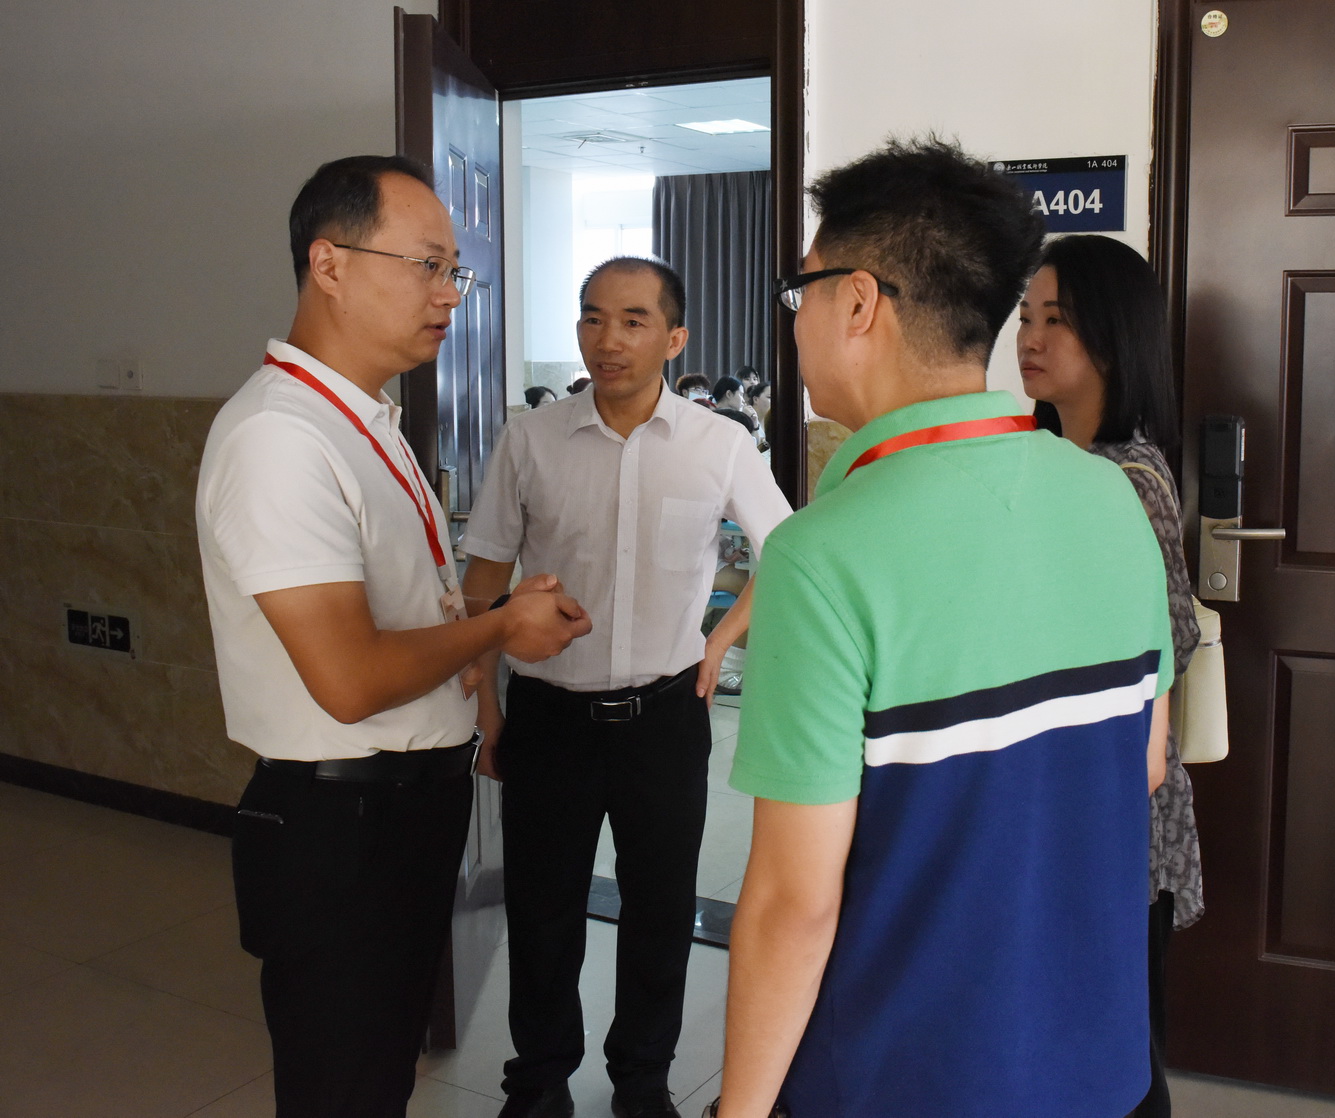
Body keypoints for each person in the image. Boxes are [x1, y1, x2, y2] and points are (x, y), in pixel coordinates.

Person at [714, 137, 1175, 1118]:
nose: (794, 322)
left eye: (801, 293)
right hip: (1099, 1059)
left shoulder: (821, 555)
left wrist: (737, 1108)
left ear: (858, 302)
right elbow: (1143, 762)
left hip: (908, 1075)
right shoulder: (1111, 498)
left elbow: (794, 903)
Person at [196, 154, 590, 1118]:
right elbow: (349, 678)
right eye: (426, 266)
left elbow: (412, 613)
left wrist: (478, 654)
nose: (449, 294)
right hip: (341, 825)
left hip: (402, 808)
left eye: (456, 271)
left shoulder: (363, 417)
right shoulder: (279, 439)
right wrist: (501, 625)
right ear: (329, 264)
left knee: (376, 1072)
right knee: (342, 1084)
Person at [461, 256, 792, 1118]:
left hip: (663, 717)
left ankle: (641, 1081)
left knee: (659, 911)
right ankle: (539, 1081)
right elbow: (483, 579)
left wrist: (719, 639)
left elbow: (787, 553)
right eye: (592, 317)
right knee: (542, 910)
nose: (607, 339)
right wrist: (486, 703)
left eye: (634, 321)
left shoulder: (719, 443)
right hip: (548, 715)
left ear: (674, 338)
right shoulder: (530, 439)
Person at [1017, 233, 1202, 1118]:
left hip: (1117, 798)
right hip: (1066, 792)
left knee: (1119, 1052)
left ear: (1113, 336)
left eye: (1056, 319)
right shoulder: (1050, 461)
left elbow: (1170, 641)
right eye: (1025, 315)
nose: (1030, 337)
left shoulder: (1125, 477)